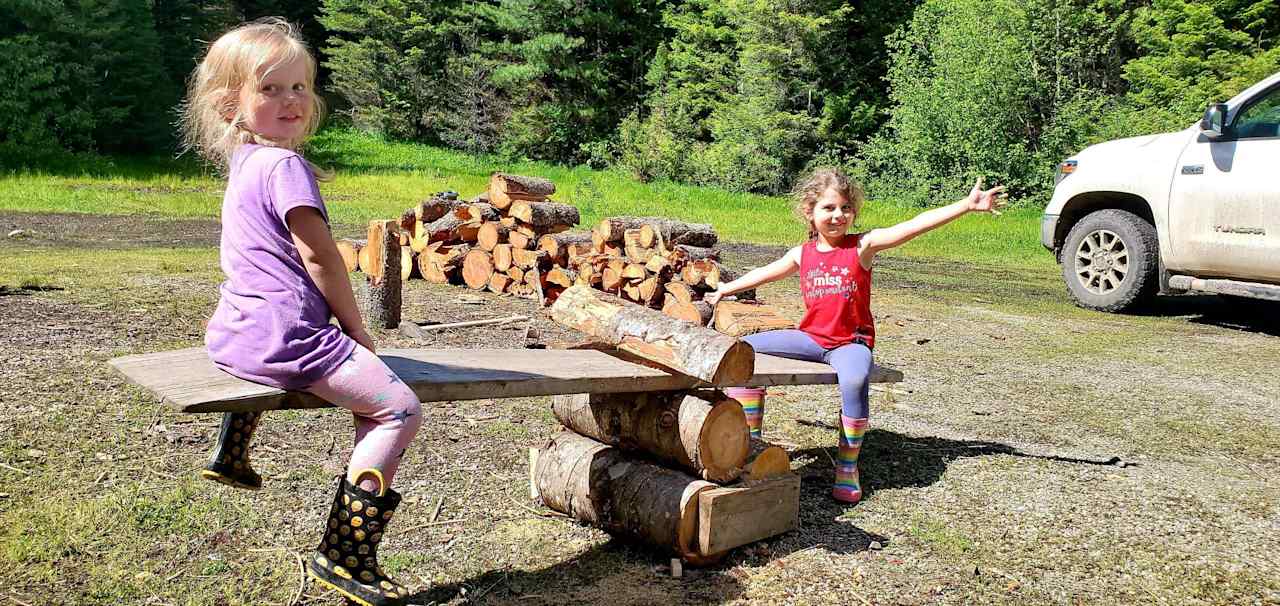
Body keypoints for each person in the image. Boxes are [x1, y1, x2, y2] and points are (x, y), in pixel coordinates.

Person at [181, 18, 421, 606]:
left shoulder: (244, 162)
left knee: (267, 362)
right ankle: (345, 555)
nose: (291, 101)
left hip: (235, 336)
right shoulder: (286, 168)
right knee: (398, 408)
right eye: (270, 89)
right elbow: (322, 259)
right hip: (289, 337)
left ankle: (232, 451)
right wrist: (356, 327)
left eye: (300, 87)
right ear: (229, 102)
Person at [706, 168, 1005, 505]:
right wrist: (726, 290)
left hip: (850, 343)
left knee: (854, 379)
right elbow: (765, 272)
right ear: (810, 211)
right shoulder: (802, 254)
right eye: (829, 208)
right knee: (743, 353)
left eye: (846, 208)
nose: (838, 216)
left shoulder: (863, 245)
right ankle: (751, 442)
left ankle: (847, 466)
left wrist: (965, 206)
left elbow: (914, 226)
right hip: (811, 340)